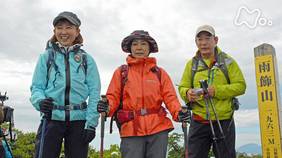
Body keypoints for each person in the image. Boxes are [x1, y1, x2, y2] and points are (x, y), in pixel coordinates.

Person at [97, 30, 190, 158]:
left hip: (158, 128)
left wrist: (179, 112)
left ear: (149, 48)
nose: (139, 48)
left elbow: (170, 98)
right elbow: (112, 96)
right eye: (135, 44)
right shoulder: (121, 72)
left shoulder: (160, 73)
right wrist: (107, 107)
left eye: (143, 44)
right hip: (131, 129)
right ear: (130, 48)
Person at [30, 11, 101, 158]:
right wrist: (40, 101)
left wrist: (91, 124)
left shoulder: (87, 59)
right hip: (50, 119)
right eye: (59, 27)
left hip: (79, 121)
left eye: (69, 27)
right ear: (54, 31)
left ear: (77, 31)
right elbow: (37, 87)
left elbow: (95, 92)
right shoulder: (46, 57)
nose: (64, 32)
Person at [178, 25, 246, 158]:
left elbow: (241, 86)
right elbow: (182, 87)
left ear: (215, 40)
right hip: (198, 120)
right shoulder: (191, 65)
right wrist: (187, 93)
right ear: (196, 42)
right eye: (199, 39)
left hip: (224, 120)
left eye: (207, 39)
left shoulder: (228, 62)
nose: (203, 43)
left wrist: (217, 91)